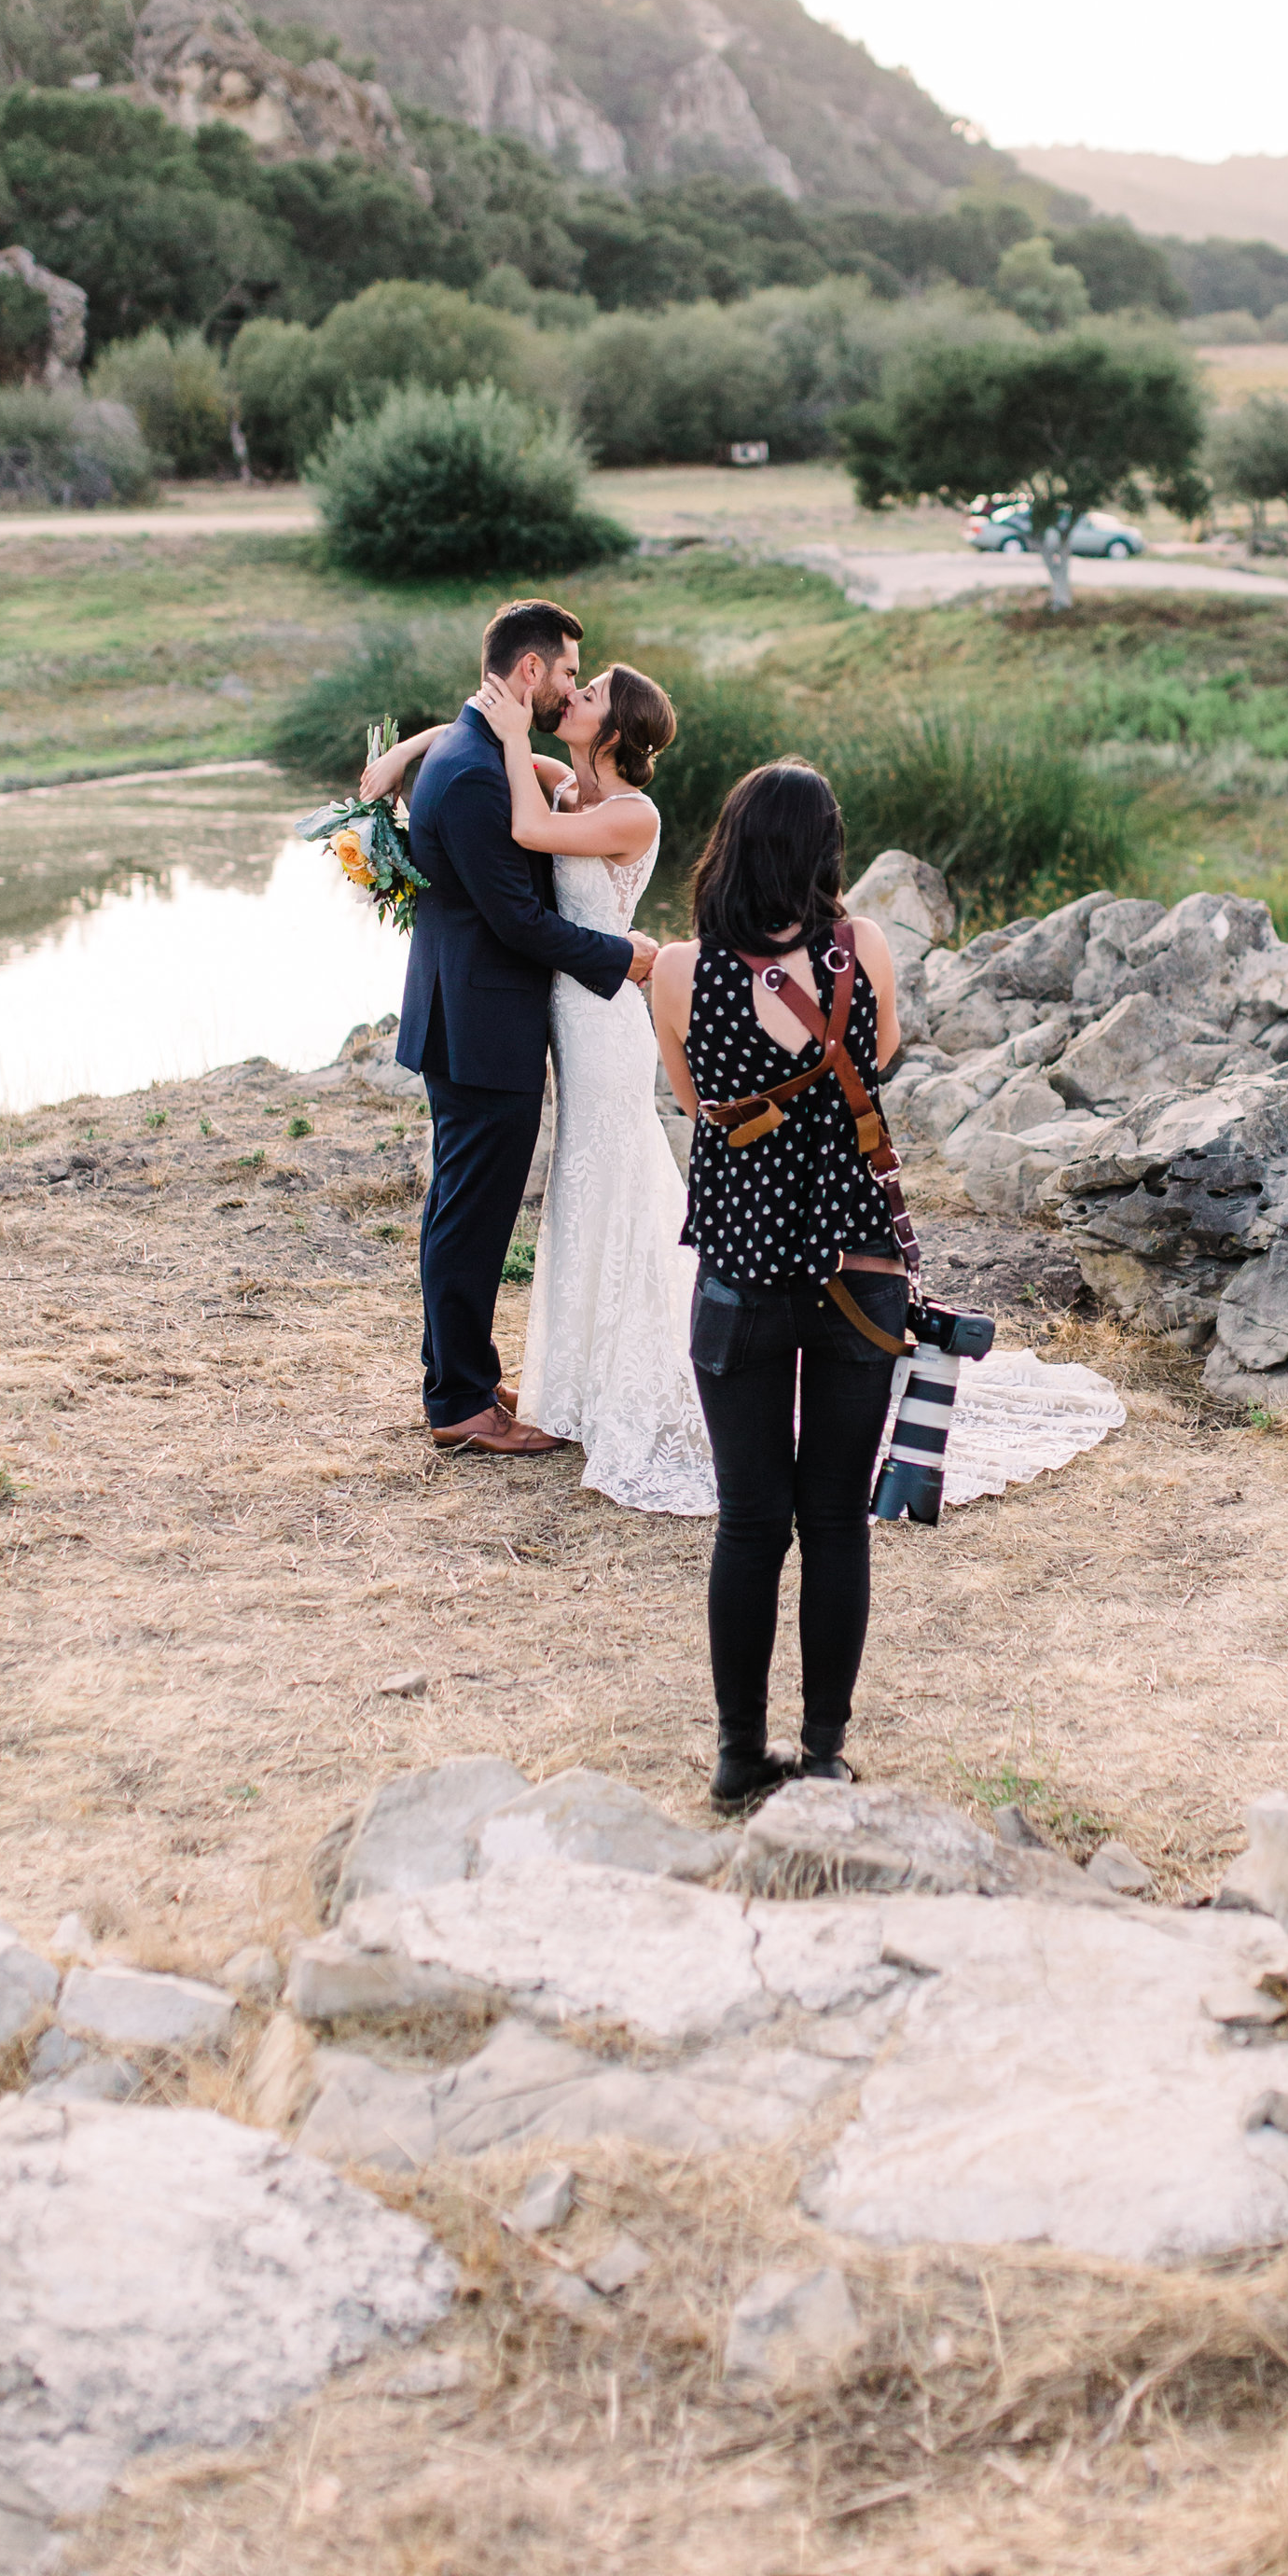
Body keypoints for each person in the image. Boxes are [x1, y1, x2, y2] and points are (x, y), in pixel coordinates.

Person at [646, 761, 906, 1809]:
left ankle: (737, 1754)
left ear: (729, 843)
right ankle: (827, 1750)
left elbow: (691, 1097)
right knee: (836, 1518)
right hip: (858, 1272)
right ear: (825, 853)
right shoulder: (867, 950)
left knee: (749, 1522)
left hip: (741, 1278)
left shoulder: (674, 970)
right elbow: (879, 1055)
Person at [360, 599, 657, 1456]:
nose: (571, 687)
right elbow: (521, 923)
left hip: (473, 1018)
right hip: (482, 1028)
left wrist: (411, 743)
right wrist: (623, 959)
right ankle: (458, 1401)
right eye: (568, 671)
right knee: (470, 1217)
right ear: (530, 672)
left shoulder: (478, 751)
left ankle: (468, 1375)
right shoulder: (485, 772)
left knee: (464, 1208)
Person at [461, 654, 719, 1515]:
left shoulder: (630, 812)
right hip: (570, 1011)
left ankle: (633, 1379)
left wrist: (509, 739)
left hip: (607, 1020)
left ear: (613, 730)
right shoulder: (569, 785)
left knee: (608, 1174)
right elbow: (477, 737)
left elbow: (529, 834)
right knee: (581, 1179)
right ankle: (577, 1379)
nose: (572, 695)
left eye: (592, 693)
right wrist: (398, 759)